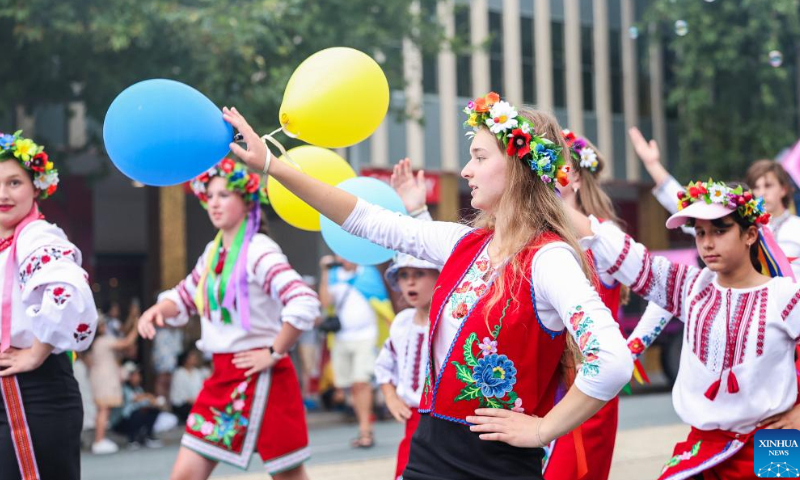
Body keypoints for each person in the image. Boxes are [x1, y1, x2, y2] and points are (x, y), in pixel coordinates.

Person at [222, 92, 633, 479]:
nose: (467, 170)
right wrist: (273, 166)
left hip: (496, 465)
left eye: (478, 157)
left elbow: (611, 361)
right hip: (430, 448)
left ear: (517, 167)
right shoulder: (465, 245)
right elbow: (366, 219)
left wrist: (543, 430)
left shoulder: (549, 259)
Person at [568, 178, 800, 479]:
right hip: (705, 445)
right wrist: (546, 193)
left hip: (774, 443)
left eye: (720, 230)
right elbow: (625, 254)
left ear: (750, 234)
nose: (707, 242)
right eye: (700, 232)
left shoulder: (784, 294)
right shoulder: (691, 287)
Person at [138, 158, 320, 480]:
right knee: (184, 475)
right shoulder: (213, 251)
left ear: (246, 200)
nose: (214, 203)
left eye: (224, 195)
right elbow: (185, 295)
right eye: (209, 195)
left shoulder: (259, 250)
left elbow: (303, 300)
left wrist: (274, 352)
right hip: (223, 375)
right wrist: (157, 310)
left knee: (289, 476)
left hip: (263, 374)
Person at [542, 130, 640, 480]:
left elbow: (664, 287)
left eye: (558, 165)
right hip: (547, 378)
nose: (547, 173)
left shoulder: (603, 237)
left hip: (586, 380)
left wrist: (634, 346)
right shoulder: (541, 233)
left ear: (578, 177)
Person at [0, 130, 98, 480]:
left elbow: (70, 293)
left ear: (36, 186)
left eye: (14, 182)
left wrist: (36, 352)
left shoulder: (37, 237)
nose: (3, 194)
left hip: (33, 394)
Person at [375, 252, 440, 480]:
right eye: (403, 275)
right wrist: (391, 397)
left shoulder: (449, 321)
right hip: (414, 422)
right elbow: (384, 365)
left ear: (440, 276)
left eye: (419, 274)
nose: (410, 282)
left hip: (446, 421)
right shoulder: (402, 323)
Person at [318, 254, 380, 448]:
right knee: (350, 386)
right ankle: (364, 424)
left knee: (362, 383)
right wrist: (324, 272)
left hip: (366, 336)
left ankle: (365, 430)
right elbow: (325, 303)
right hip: (341, 338)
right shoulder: (334, 275)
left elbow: (382, 301)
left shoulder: (368, 272)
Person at [90, 316, 139, 454]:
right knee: (104, 409)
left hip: (100, 376)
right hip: (105, 378)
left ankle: (99, 439)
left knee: (102, 409)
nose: (105, 327)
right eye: (102, 325)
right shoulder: (104, 341)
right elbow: (127, 343)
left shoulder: (96, 342)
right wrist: (137, 327)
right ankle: (99, 441)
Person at [113, 361, 163, 448]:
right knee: (137, 414)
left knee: (152, 411)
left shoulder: (138, 389)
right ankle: (131, 440)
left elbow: (144, 402)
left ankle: (148, 436)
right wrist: (148, 396)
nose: (138, 377)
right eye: (135, 375)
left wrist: (153, 402)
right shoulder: (122, 388)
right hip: (121, 422)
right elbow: (134, 399)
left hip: (135, 418)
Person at [170, 349, 211, 423]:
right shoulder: (179, 373)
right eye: (192, 358)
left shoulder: (197, 372)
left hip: (196, 402)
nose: (195, 359)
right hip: (182, 404)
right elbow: (182, 395)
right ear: (186, 360)